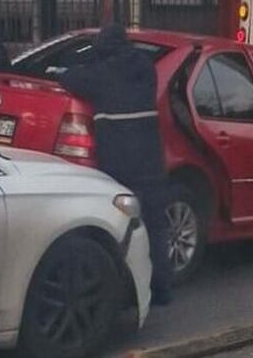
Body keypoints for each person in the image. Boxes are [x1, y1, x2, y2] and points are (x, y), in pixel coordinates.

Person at [59, 23, 173, 306]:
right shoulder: (146, 68)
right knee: (156, 225)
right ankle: (162, 290)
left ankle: (124, 293)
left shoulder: (100, 74)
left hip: (119, 164)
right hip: (150, 159)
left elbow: (71, 78)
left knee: (121, 228)